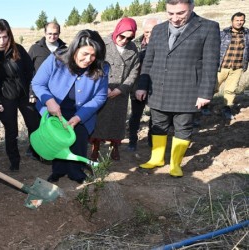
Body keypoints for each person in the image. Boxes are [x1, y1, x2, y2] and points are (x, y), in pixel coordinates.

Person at [135, 0, 220, 177]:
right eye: (170, 13)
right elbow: (148, 60)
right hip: (158, 88)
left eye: (181, 13)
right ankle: (156, 158)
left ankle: (175, 164)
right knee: (158, 125)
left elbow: (211, 63)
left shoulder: (208, 27)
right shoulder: (158, 29)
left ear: (192, 7)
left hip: (188, 90)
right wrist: (142, 85)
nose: (175, 18)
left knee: (183, 127)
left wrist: (205, 93)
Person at [32, 29, 109, 184]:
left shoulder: (101, 67)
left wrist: (79, 117)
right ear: (75, 49)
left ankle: (76, 172)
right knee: (57, 141)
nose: (89, 59)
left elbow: (100, 96)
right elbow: (37, 83)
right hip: (55, 111)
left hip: (81, 112)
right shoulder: (56, 60)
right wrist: (49, 101)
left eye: (93, 55)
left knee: (79, 140)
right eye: (85, 54)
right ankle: (58, 171)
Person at [0, 19, 41, 171]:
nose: (2, 41)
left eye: (5, 37)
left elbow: (31, 72)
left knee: (34, 125)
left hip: (25, 95)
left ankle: (38, 151)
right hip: (5, 99)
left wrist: (33, 92)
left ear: (10, 36)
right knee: (11, 131)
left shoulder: (18, 50)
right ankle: (14, 161)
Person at [90, 17, 140, 161]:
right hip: (103, 90)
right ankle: (96, 147)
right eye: (122, 36)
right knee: (100, 121)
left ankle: (115, 146)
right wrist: (102, 87)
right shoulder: (103, 44)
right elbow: (95, 65)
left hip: (120, 93)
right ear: (117, 31)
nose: (124, 40)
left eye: (129, 38)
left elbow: (134, 71)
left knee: (117, 122)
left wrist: (122, 89)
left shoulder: (133, 48)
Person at [127, 17, 161, 151]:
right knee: (135, 115)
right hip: (137, 86)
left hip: (156, 87)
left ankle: (152, 140)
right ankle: (132, 141)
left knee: (155, 116)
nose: (149, 34)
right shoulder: (134, 44)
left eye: (152, 31)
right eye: (147, 31)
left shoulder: (164, 44)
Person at [216, 12, 249, 120]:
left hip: (237, 67)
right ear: (232, 21)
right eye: (237, 20)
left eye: (241, 20)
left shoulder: (247, 34)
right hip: (221, 66)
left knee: (231, 90)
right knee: (212, 87)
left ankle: (227, 108)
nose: (239, 22)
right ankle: (204, 106)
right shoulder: (223, 33)